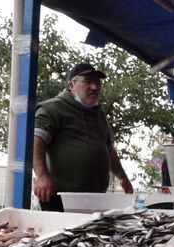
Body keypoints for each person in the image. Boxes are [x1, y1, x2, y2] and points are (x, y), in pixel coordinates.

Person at [33, 63, 133, 212]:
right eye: (88, 81)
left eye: (98, 83)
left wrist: (123, 177)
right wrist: (41, 176)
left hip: (95, 198)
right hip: (60, 198)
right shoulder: (53, 108)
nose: (94, 87)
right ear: (72, 85)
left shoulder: (98, 114)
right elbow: (36, 141)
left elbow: (108, 149)